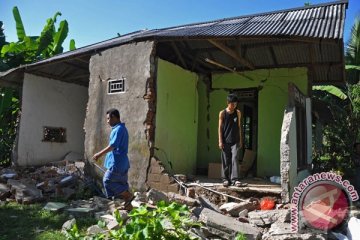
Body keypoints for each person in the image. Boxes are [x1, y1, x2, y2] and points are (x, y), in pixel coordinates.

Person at [93, 108, 133, 203]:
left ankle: (128, 195)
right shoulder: (121, 128)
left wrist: (99, 154)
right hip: (123, 163)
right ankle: (128, 206)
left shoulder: (118, 129)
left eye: (108, 119)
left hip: (117, 162)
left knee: (107, 180)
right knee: (121, 184)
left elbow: (113, 145)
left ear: (114, 117)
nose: (107, 121)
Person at [218, 94, 247, 187]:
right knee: (226, 160)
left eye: (235, 104)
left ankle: (235, 180)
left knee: (234, 158)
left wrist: (241, 140)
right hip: (225, 141)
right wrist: (220, 141)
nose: (234, 105)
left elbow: (239, 127)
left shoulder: (238, 112)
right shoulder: (222, 113)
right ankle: (225, 179)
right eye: (232, 104)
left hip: (235, 141)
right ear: (228, 103)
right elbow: (220, 128)